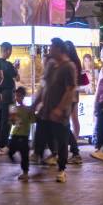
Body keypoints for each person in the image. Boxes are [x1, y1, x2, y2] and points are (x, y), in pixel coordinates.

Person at [34, 38, 77, 183]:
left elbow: (70, 89)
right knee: (39, 139)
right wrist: (35, 103)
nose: (49, 50)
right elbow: (43, 85)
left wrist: (60, 108)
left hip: (59, 114)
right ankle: (38, 166)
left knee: (62, 141)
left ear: (59, 49)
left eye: (52, 47)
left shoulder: (69, 67)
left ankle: (61, 170)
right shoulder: (51, 64)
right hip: (45, 111)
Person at [8, 87, 37, 181]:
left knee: (25, 155)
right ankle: (14, 161)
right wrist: (12, 119)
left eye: (19, 96)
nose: (17, 98)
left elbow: (33, 120)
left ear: (23, 97)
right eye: (16, 96)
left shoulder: (27, 109)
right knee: (10, 151)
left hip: (24, 135)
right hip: (15, 134)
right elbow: (12, 122)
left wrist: (33, 113)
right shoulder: (13, 107)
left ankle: (25, 173)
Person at [0, 42, 19, 154]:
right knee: (9, 120)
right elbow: (18, 78)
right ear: (8, 51)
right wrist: (16, 68)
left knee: (0, 120)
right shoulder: (9, 65)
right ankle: (3, 144)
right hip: (9, 96)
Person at [65, 40, 84, 164]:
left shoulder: (71, 63)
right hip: (74, 93)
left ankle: (74, 145)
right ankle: (74, 142)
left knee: (70, 120)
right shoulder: (75, 62)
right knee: (73, 118)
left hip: (70, 93)